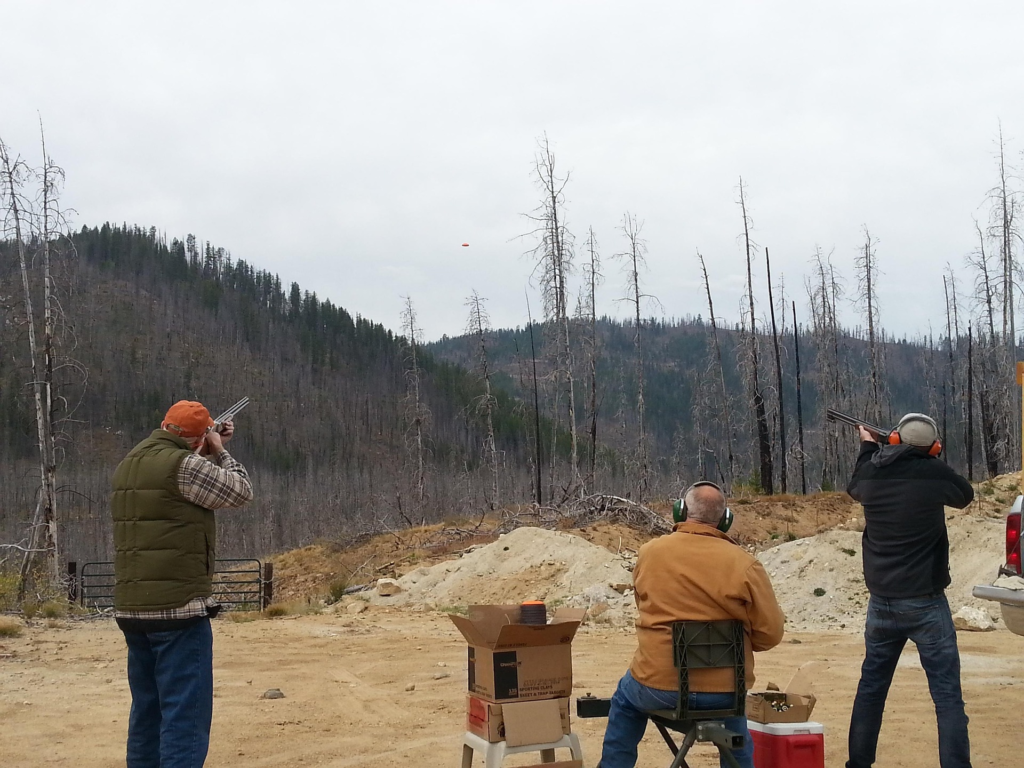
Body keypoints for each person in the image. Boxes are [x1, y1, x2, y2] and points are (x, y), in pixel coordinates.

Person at [600, 481, 785, 768]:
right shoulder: (745, 564)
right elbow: (770, 634)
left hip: (657, 688)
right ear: (726, 519)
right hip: (725, 693)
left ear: (680, 510)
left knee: (625, 700)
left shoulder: (650, 553)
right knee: (735, 717)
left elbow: (642, 605)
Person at [111, 400, 254, 768]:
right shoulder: (187, 465)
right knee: (184, 716)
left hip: (132, 608)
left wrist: (201, 446)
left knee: (147, 711)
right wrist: (220, 451)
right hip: (178, 609)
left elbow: (174, 488)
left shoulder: (131, 462)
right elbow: (239, 490)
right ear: (196, 440)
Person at [846, 413, 974, 768]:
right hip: (927, 603)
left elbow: (856, 483)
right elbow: (964, 494)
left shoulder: (871, 471)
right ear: (933, 448)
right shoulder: (934, 473)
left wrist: (868, 446)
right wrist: (932, 459)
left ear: (895, 440)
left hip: (881, 602)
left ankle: (858, 764)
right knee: (948, 697)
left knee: (871, 690)